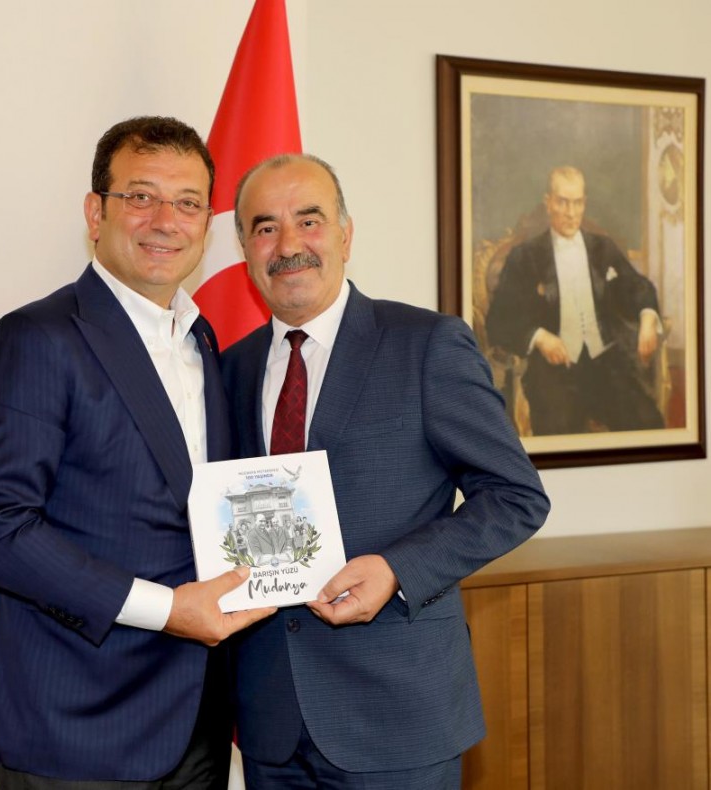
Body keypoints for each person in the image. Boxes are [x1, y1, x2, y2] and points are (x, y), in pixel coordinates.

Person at [0, 116, 274, 789]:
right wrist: (167, 610)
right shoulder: (37, 339)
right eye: (141, 196)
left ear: (206, 225)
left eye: (188, 203)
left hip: (197, 723)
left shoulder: (202, 340)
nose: (166, 221)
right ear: (95, 212)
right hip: (77, 727)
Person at [220, 153, 550, 789]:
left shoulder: (427, 345)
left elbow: (515, 497)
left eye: (309, 220)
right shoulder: (228, 368)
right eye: (265, 227)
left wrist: (398, 570)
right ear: (244, 249)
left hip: (398, 715)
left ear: (345, 235)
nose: (287, 245)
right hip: (270, 720)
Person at [486, 165, 665, 435]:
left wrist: (648, 316)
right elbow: (499, 319)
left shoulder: (603, 249)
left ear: (585, 203)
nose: (571, 213)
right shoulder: (525, 257)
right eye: (563, 202)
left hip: (606, 363)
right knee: (559, 432)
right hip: (553, 372)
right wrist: (538, 337)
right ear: (548, 203)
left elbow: (636, 286)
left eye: (578, 203)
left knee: (648, 422)